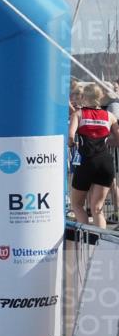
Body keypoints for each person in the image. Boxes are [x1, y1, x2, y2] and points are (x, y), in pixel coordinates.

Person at [69, 83, 119, 228]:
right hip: (105, 162)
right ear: (101, 97)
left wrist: (73, 144)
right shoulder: (110, 116)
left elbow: (71, 137)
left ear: (84, 97)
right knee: (98, 208)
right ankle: (99, 244)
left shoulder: (78, 114)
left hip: (87, 161)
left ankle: (87, 239)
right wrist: (105, 140)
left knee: (77, 205)